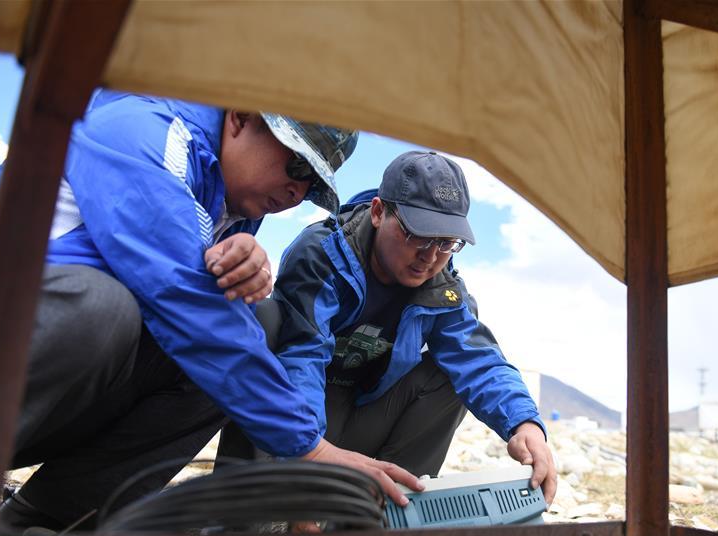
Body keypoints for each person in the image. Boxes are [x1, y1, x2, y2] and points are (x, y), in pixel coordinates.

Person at [0, 90, 423, 531]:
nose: (297, 190)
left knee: (246, 327)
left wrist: (232, 266)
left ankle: (40, 527)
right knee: (104, 308)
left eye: (313, 184)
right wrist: (311, 449)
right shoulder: (145, 132)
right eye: (296, 164)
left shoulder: (233, 202)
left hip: (37, 394)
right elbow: (183, 297)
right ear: (241, 117)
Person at [220, 150, 557, 504]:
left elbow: (479, 359)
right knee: (267, 322)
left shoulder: (442, 287)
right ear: (379, 212)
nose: (430, 257)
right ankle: (251, 505)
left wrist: (526, 424)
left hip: (367, 416)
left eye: (446, 243)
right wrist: (308, 466)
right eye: (418, 235)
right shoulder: (322, 253)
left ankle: (391, 509)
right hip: (299, 420)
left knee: (448, 374)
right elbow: (302, 356)